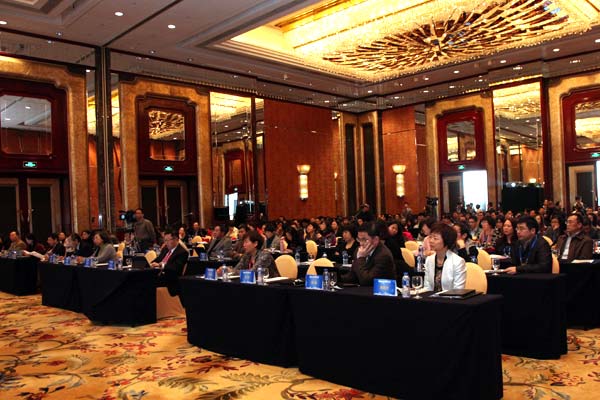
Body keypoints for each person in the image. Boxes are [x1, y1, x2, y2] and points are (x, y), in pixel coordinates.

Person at [340, 222, 396, 286]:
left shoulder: (383, 256)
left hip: (380, 290)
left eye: (364, 240)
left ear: (376, 240)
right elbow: (353, 276)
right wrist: (337, 278)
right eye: (359, 239)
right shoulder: (359, 250)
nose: (361, 243)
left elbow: (367, 281)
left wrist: (361, 258)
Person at [423, 223, 466, 292]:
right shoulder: (429, 259)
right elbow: (427, 287)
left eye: (435, 238)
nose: (431, 241)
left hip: (450, 298)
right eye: (430, 237)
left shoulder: (458, 262)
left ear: (446, 241)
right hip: (431, 298)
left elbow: (458, 290)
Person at [151, 229, 189, 296]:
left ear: (176, 239)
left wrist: (161, 265)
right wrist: (152, 263)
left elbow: (175, 268)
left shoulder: (182, 252)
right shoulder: (165, 249)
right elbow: (157, 260)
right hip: (158, 275)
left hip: (170, 280)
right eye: (165, 240)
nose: (166, 243)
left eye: (167, 240)